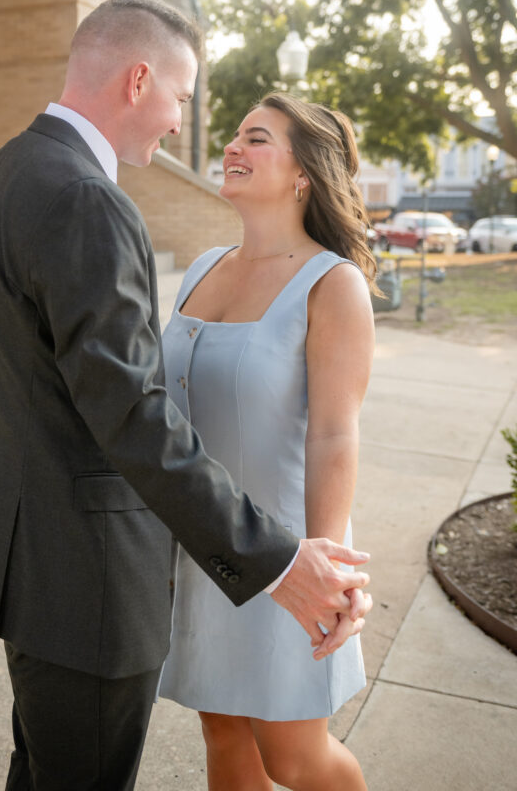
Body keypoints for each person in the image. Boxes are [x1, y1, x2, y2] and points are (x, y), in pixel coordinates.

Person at [0, 0, 372, 791]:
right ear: (140, 80)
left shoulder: (2, 174)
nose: (182, 124)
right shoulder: (86, 199)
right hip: (89, 575)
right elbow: (135, 413)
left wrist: (311, 551)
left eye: (255, 135)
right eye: (181, 97)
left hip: (45, 559)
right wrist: (281, 564)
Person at [159, 92, 377, 791]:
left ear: (303, 174)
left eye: (256, 139)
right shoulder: (202, 267)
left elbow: (336, 433)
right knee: (222, 733)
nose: (231, 147)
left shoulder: (331, 283)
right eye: (235, 136)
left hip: (286, 556)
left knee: (293, 757)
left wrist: (327, 567)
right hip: (203, 545)